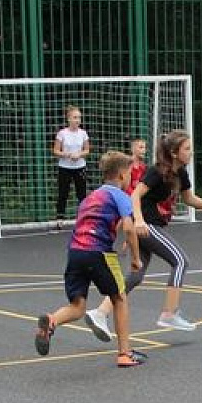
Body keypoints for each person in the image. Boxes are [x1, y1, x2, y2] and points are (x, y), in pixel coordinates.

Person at [84, 130, 202, 339]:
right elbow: (135, 194)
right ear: (174, 152)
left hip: (146, 226)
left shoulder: (180, 173)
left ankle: (99, 313)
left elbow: (190, 199)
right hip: (146, 225)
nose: (191, 152)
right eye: (187, 148)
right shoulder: (157, 171)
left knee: (135, 276)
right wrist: (140, 220)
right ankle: (169, 313)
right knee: (180, 260)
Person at [35, 151, 145, 368]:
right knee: (119, 298)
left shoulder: (91, 197)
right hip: (98, 252)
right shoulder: (120, 196)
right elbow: (130, 228)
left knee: (77, 306)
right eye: (131, 174)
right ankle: (124, 353)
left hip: (75, 252)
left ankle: (52, 321)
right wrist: (135, 258)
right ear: (122, 175)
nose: (132, 178)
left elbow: (97, 222)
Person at [53, 105, 91, 225]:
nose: (77, 120)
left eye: (79, 118)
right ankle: (60, 218)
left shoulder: (83, 133)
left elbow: (87, 150)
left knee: (82, 194)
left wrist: (79, 155)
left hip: (80, 167)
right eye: (75, 117)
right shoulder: (62, 133)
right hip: (65, 167)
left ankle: (84, 217)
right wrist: (67, 154)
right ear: (68, 119)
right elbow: (56, 151)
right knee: (63, 192)